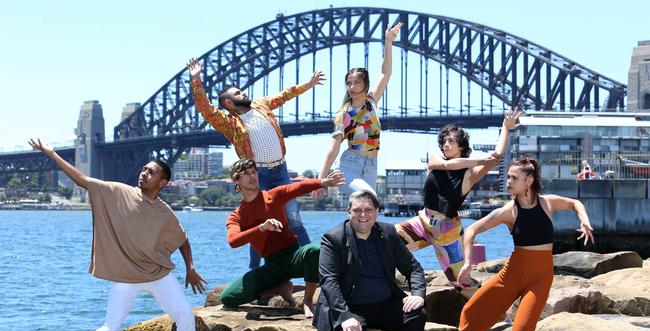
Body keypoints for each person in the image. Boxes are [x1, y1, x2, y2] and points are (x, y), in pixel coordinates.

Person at [27, 138, 207, 331]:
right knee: (110, 326)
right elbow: (83, 180)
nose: (143, 174)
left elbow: (182, 238)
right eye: (143, 169)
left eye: (150, 172)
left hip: (157, 274)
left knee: (185, 315)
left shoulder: (165, 212)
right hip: (126, 277)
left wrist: (190, 268)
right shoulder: (118, 192)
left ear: (162, 183)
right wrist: (52, 154)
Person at [188, 57, 326, 270]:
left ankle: (313, 265)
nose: (243, 92)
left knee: (293, 218)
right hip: (257, 175)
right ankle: (255, 271)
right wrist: (196, 79)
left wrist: (307, 85)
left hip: (280, 170)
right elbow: (205, 109)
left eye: (241, 90)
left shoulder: (261, 105)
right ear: (228, 104)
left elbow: (284, 95)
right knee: (258, 224)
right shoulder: (229, 123)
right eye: (237, 93)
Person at [458, 156, 595, 331]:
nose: (508, 182)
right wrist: (467, 262)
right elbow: (471, 230)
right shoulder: (509, 210)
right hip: (513, 273)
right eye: (508, 177)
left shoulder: (547, 203)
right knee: (472, 311)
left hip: (540, 278)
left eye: (514, 178)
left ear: (529, 180)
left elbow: (575, 203)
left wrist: (584, 221)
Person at [395, 109, 521, 284]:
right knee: (386, 240)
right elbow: (446, 165)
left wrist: (506, 127)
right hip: (423, 222)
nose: (445, 144)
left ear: (461, 146)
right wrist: (480, 160)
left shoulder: (469, 174)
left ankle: (486, 307)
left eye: (451, 141)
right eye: (444, 141)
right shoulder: (436, 161)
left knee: (461, 282)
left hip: (447, 231)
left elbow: (497, 156)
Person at [313, 190, 427, 331]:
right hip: (350, 306)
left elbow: (413, 267)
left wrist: (418, 294)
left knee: (416, 316)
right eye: (357, 210)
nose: (363, 215)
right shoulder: (333, 238)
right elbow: (328, 281)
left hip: (384, 304)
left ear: (377, 212)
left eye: (368, 209)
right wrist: (344, 316)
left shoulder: (388, 233)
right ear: (348, 212)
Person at [221, 158, 344, 318]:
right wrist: (261, 228)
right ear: (236, 180)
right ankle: (280, 288)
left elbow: (298, 187)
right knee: (228, 297)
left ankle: (307, 301)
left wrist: (324, 182)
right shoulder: (237, 215)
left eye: (254, 172)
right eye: (246, 174)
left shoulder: (272, 196)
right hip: (272, 266)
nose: (253, 177)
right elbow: (233, 241)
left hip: (293, 257)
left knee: (315, 250)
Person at [314, 21, 403, 201]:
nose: (352, 86)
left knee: (367, 211)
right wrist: (320, 179)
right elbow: (334, 146)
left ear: (365, 85)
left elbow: (386, 74)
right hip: (350, 166)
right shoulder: (345, 114)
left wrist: (388, 42)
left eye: (357, 82)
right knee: (369, 199)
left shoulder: (371, 102)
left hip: (371, 166)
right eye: (349, 83)